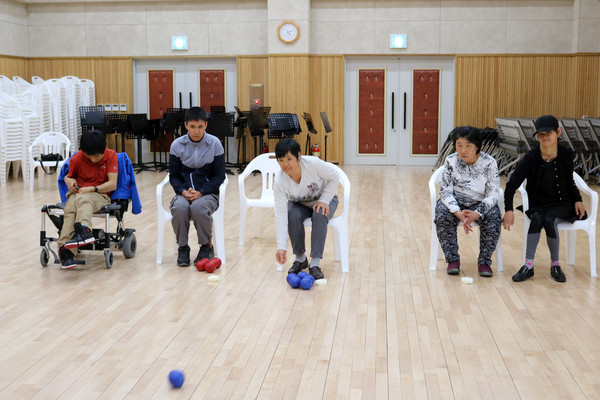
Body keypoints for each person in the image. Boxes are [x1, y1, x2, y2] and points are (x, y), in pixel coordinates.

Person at [503, 115, 586, 283]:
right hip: (539, 204)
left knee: (549, 218)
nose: (545, 137)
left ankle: (555, 265)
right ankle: (528, 265)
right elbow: (511, 185)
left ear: (558, 133)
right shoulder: (531, 157)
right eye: (541, 134)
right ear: (537, 137)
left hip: (563, 203)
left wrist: (578, 199)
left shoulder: (566, 154)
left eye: (549, 133)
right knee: (538, 217)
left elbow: (569, 181)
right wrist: (509, 210)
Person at [434, 126, 502, 277]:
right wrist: (458, 213)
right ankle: (452, 260)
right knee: (442, 214)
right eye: (459, 145)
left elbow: (492, 194)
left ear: (477, 146)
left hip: (480, 203)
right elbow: (445, 191)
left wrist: (477, 213)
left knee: (494, 217)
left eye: (468, 146)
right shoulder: (451, 160)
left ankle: (484, 261)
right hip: (456, 202)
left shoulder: (489, 163)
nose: (463, 150)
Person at [274, 138, 339, 280]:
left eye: (289, 159)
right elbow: (280, 214)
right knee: (291, 212)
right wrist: (281, 246)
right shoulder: (279, 180)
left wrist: (324, 200)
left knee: (320, 213)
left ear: (298, 156)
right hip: (301, 204)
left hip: (326, 200)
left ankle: (315, 263)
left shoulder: (313, 164)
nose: (285, 164)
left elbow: (335, 175)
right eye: (281, 160)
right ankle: (300, 259)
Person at [169, 107, 225, 266]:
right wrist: (182, 191)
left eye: (200, 126)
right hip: (184, 192)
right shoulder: (176, 145)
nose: (196, 131)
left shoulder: (215, 144)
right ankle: (183, 247)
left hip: (208, 193)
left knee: (198, 208)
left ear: (206, 125)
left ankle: (206, 246)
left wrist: (202, 192)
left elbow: (220, 176)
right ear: (186, 125)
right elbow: (174, 176)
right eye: (192, 127)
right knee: (179, 208)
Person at [59, 130, 118, 269]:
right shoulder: (77, 158)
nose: (93, 159)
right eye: (89, 156)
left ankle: (84, 230)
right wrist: (69, 182)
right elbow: (68, 176)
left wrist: (92, 189)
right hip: (78, 194)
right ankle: (65, 251)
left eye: (96, 156)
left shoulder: (111, 156)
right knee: (70, 211)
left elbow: (112, 184)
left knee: (82, 200)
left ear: (103, 150)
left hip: (99, 194)